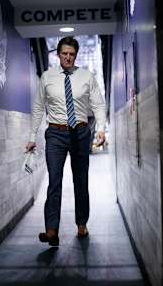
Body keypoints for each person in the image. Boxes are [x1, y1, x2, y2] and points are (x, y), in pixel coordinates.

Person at [25, 36, 106, 246]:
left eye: (71, 54)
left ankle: (81, 224)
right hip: (55, 134)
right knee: (55, 182)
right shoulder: (47, 77)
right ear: (58, 54)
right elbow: (37, 108)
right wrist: (32, 137)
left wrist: (101, 129)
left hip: (80, 133)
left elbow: (98, 103)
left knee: (80, 180)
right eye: (64, 53)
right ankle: (51, 231)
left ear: (76, 55)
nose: (68, 57)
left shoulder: (86, 76)